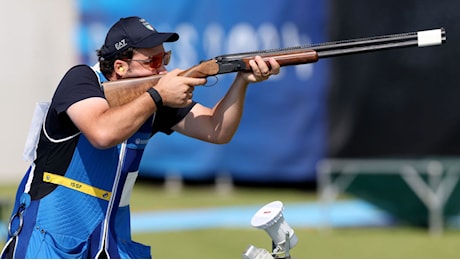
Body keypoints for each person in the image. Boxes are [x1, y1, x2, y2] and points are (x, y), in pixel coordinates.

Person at [0, 16, 279, 258]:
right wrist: (157, 96)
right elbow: (102, 132)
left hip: (111, 241)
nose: (164, 70)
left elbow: (217, 129)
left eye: (165, 58)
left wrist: (242, 82)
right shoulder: (81, 80)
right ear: (120, 67)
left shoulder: (153, 101)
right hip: (52, 237)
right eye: (154, 61)